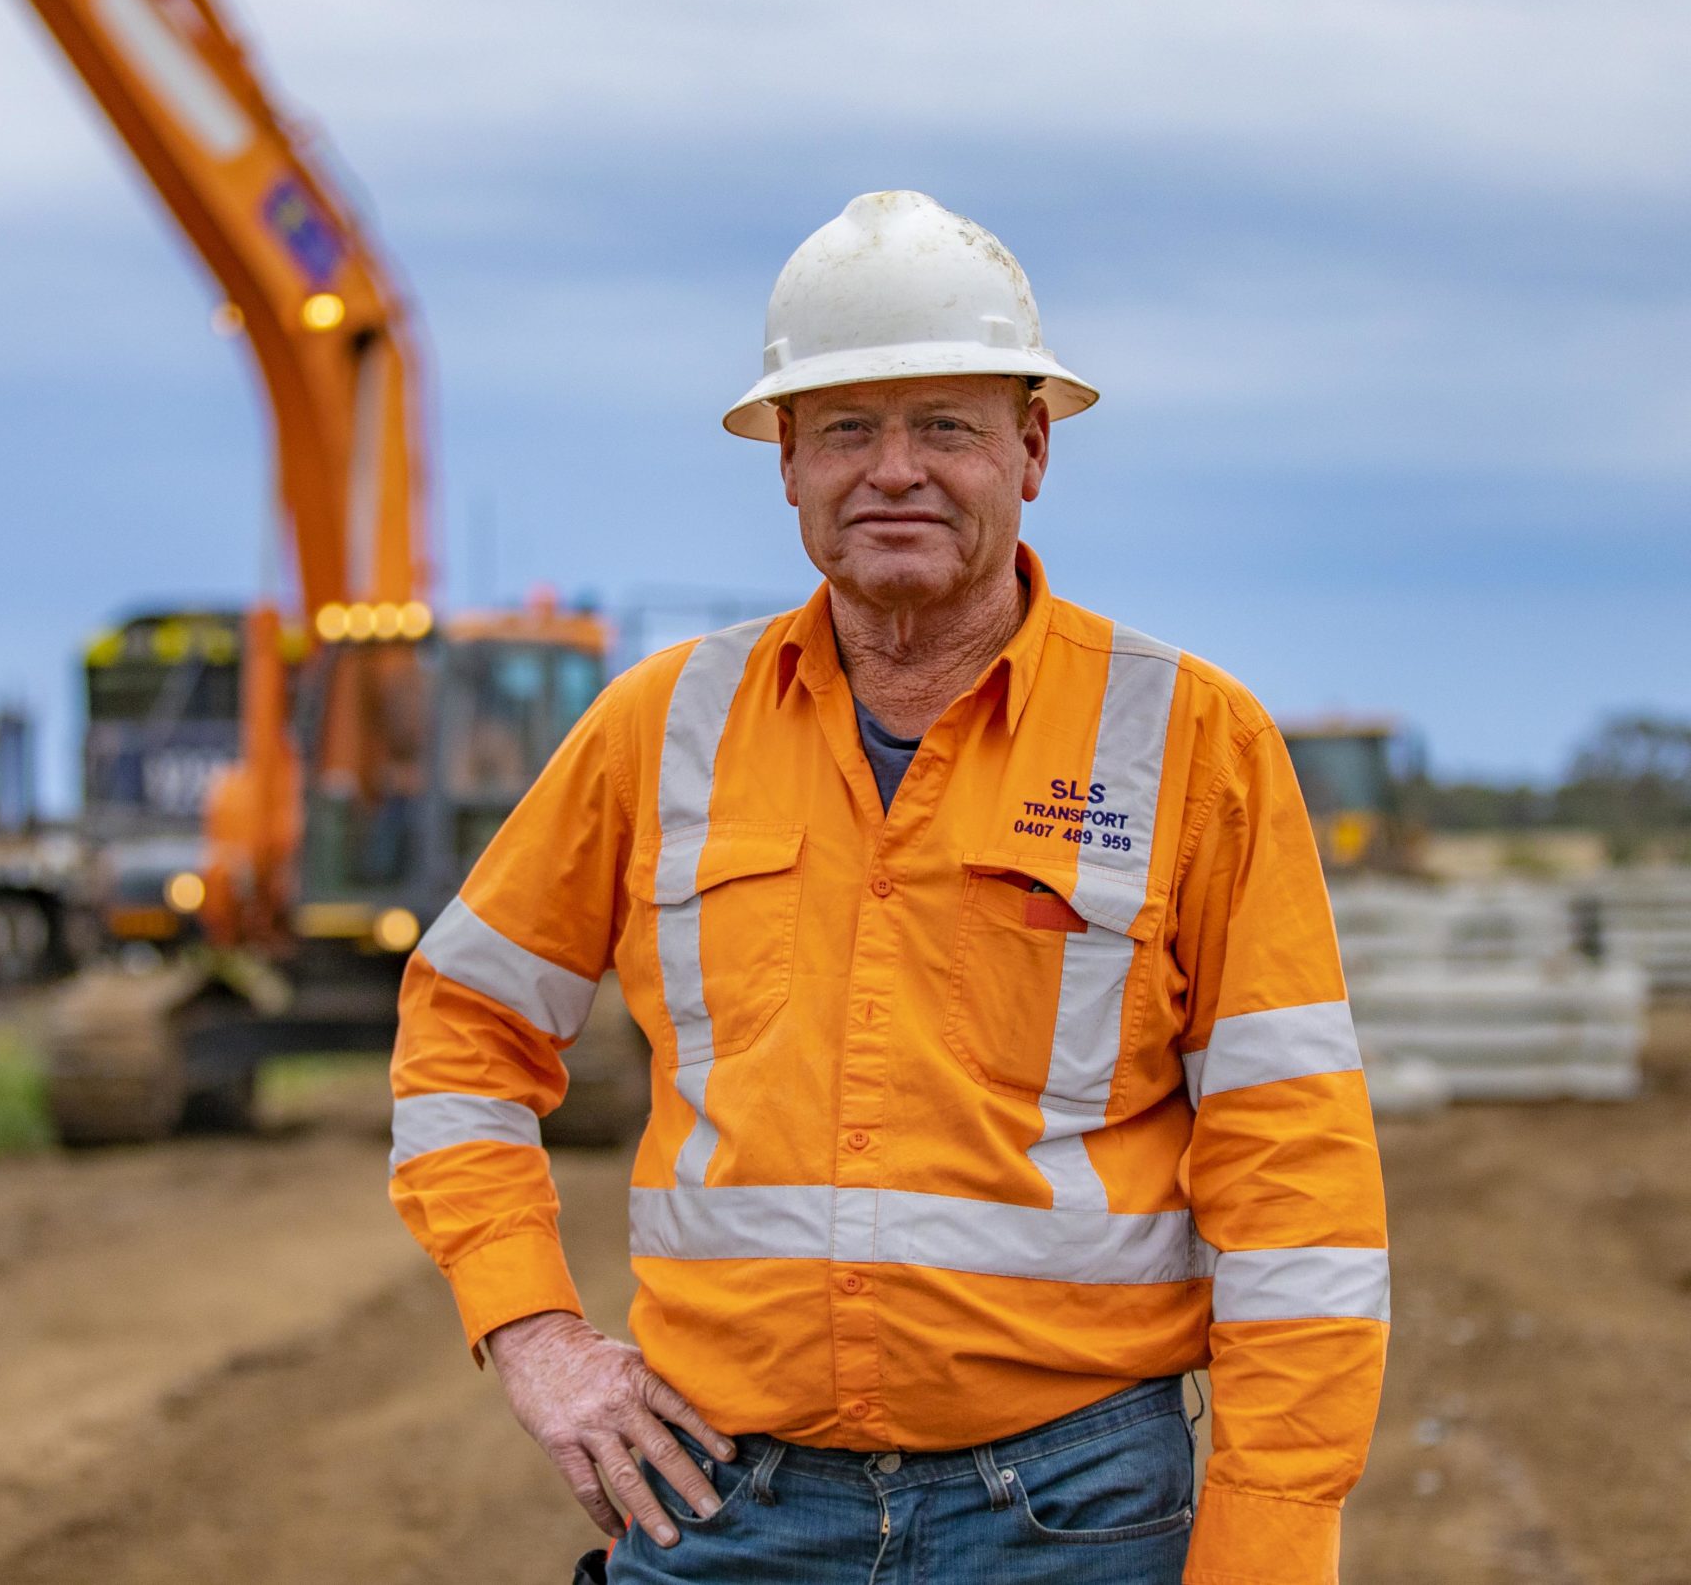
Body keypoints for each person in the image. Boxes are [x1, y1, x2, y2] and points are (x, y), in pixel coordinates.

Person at [386, 191, 1386, 1585]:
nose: (894, 470)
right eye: (848, 428)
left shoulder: (1194, 744)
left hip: (1078, 1513)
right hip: (719, 1505)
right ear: (785, 461)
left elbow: (1298, 1182)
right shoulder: (658, 729)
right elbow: (461, 1027)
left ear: (1032, 451)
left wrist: (1271, 1547)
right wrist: (533, 1329)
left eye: (948, 427)